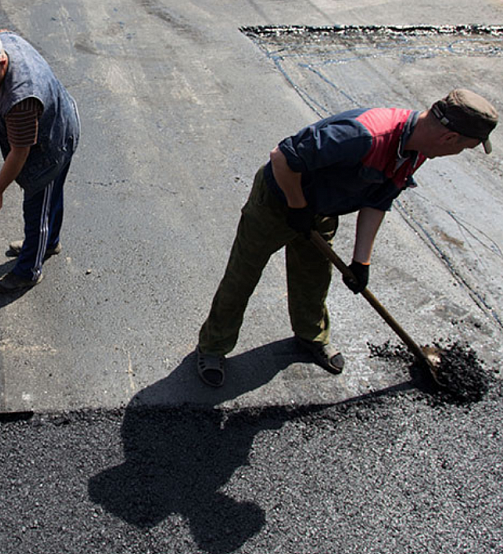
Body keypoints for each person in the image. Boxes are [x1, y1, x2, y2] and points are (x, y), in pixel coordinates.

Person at [195, 89, 497, 387]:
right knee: (243, 274)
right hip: (278, 201)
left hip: (322, 207)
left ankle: (311, 336)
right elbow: (282, 157)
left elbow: (378, 201)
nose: (459, 154)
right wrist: (297, 206)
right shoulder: (364, 135)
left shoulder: (416, 151)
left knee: (313, 276)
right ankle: (213, 346)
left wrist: (360, 261)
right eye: (465, 148)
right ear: (449, 138)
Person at [0, 30, 80, 292]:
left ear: (1, 63)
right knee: (50, 198)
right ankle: (49, 242)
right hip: (58, 120)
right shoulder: (2, 40)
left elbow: (19, 153)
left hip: (50, 147)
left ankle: (29, 271)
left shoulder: (22, 101)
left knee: (37, 209)